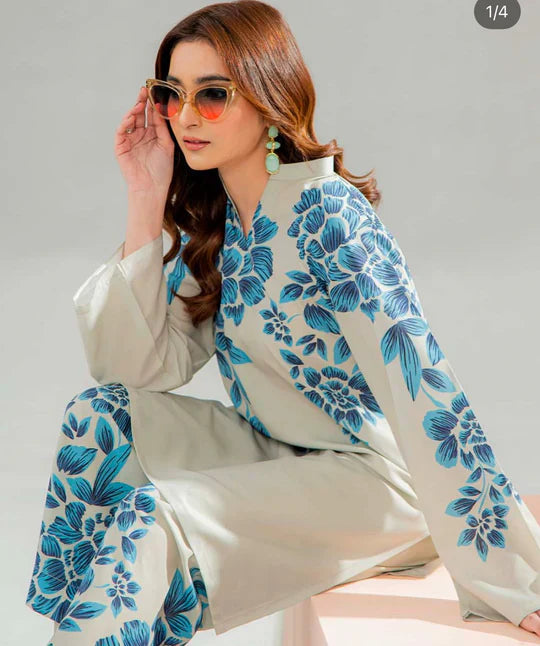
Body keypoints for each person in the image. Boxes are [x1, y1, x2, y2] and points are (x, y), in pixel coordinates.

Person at [25, 1, 540, 643]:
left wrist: (512, 573)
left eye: (213, 94)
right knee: (98, 418)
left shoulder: (329, 215)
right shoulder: (223, 223)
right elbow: (134, 369)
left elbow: (421, 385)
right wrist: (145, 195)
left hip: (374, 480)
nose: (186, 116)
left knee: (150, 519)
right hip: (277, 448)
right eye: (171, 94)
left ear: (269, 98)